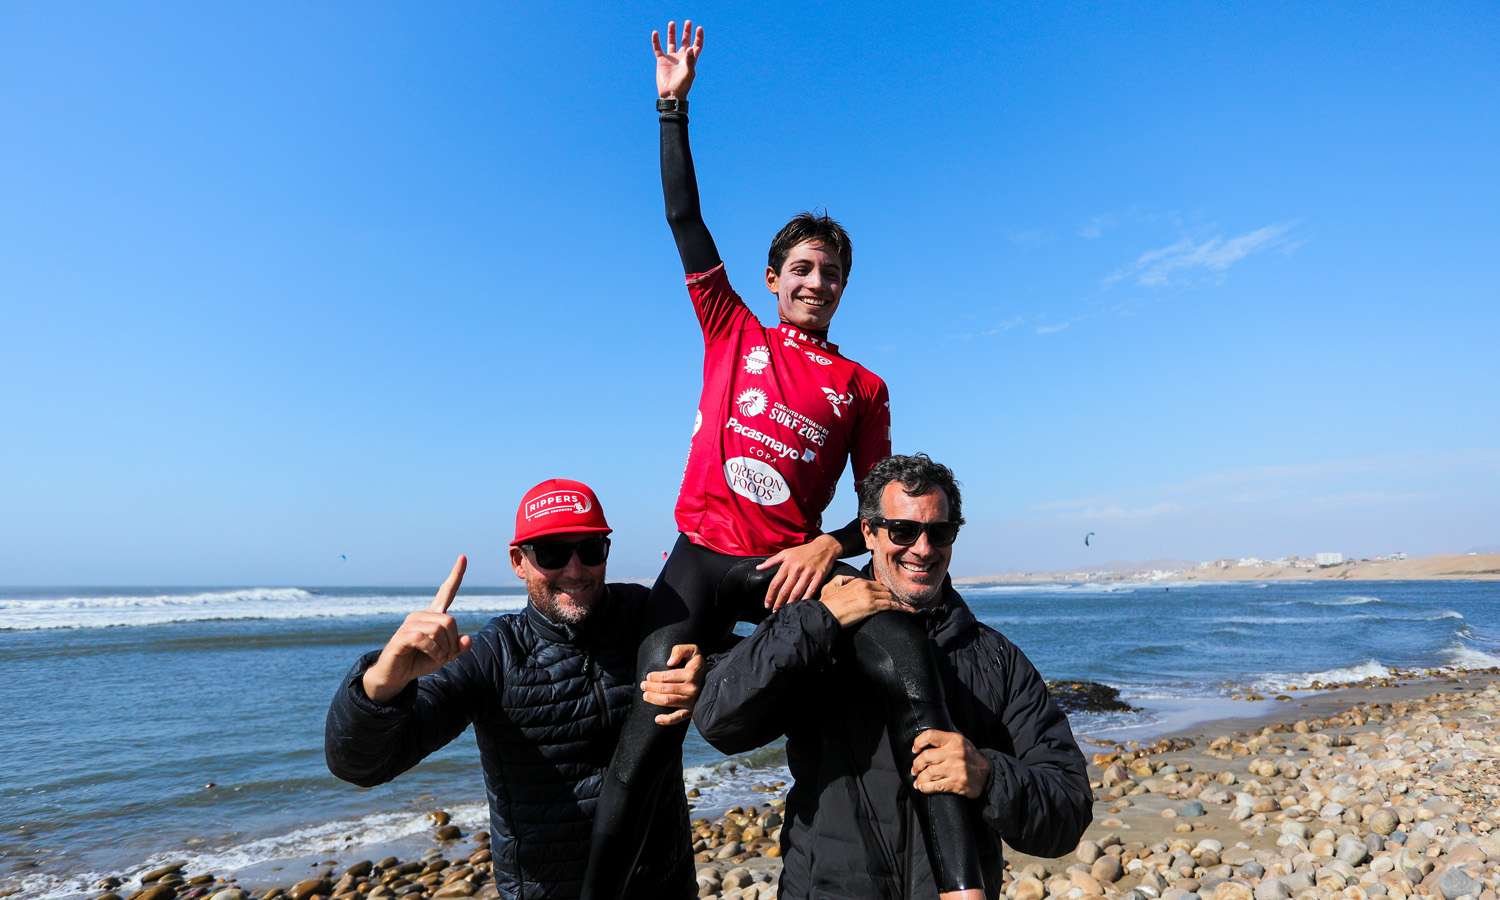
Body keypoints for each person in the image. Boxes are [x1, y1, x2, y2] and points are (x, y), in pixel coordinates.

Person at [581, 23, 989, 900]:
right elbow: (683, 217)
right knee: (649, 732)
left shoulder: (863, 386)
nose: (816, 282)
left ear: (844, 287)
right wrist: (671, 104)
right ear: (771, 279)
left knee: (907, 663)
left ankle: (959, 883)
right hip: (697, 565)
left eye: (832, 273)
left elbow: (885, 510)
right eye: (802, 268)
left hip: (785, 575)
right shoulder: (730, 327)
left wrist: (824, 547)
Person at [693, 454, 1094, 898]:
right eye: (902, 530)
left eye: (939, 532)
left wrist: (986, 774)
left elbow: (1068, 811)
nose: (922, 549)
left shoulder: (996, 660)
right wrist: (820, 619)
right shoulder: (816, 636)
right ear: (868, 532)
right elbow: (720, 722)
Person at [324, 479, 705, 900]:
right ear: (518, 562)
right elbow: (359, 765)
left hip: (666, 885)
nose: (575, 570)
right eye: (553, 553)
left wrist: (703, 674)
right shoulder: (496, 654)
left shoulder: (646, 617)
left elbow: (741, 673)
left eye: (591, 549)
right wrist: (383, 683)